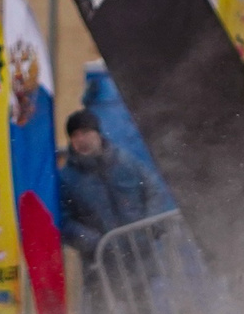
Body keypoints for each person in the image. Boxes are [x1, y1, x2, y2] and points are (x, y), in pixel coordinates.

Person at [58, 109, 165, 257]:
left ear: (98, 134)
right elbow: (63, 220)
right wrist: (98, 244)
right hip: (103, 268)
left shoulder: (125, 161)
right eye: (75, 135)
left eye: (85, 132)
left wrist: (152, 222)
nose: (81, 139)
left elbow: (153, 189)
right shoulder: (66, 178)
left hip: (146, 258)